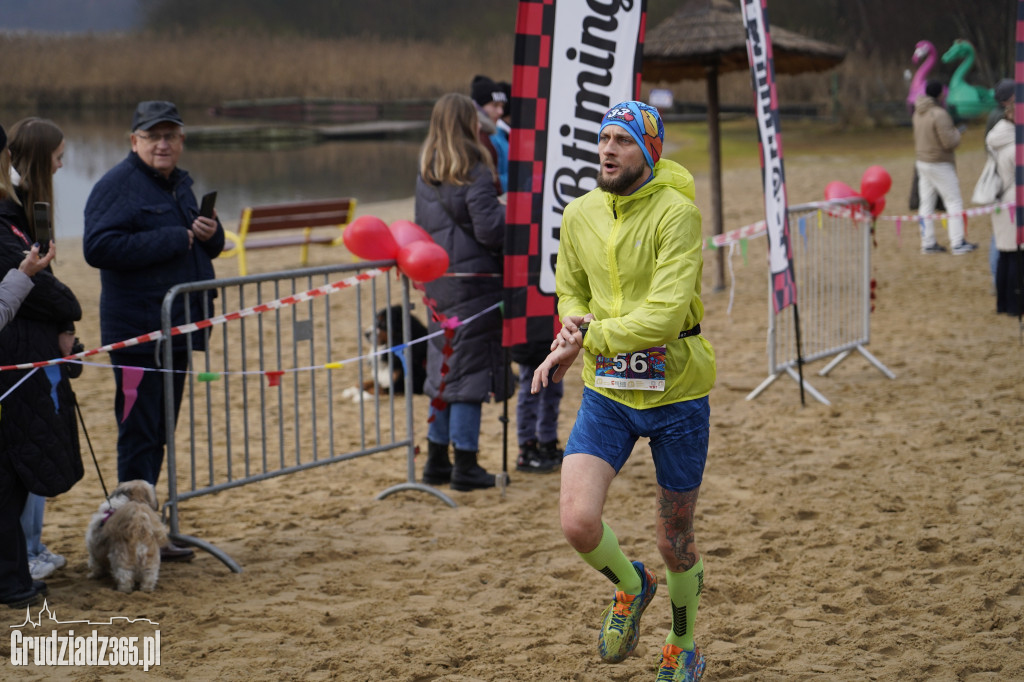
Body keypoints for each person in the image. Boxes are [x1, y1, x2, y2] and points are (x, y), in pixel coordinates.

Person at [531, 101, 715, 681]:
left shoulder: (676, 213)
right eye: (604, 137)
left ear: (649, 151)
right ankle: (632, 588)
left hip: (677, 395)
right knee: (577, 523)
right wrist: (570, 326)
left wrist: (589, 336)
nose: (608, 149)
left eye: (624, 140)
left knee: (674, 540)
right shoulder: (580, 212)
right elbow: (572, 290)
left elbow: (663, 316)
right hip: (608, 395)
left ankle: (682, 647)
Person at [83, 101, 225, 562]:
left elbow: (206, 242)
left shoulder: (179, 184)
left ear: (181, 141)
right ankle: (129, 539)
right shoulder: (116, 186)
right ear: (134, 141)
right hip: (137, 337)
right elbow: (98, 246)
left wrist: (209, 232)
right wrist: (176, 238)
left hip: (177, 330)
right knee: (137, 434)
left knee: (160, 431)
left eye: (170, 136)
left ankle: (149, 529)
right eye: (153, 136)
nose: (162, 144)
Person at [0, 119, 82, 609]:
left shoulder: (17, 210)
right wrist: (67, 304)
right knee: (11, 475)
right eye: (57, 155)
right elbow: (26, 288)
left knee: (17, 470)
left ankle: (22, 562)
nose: (63, 164)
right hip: (14, 365)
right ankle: (15, 572)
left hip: (28, 353)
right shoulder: (5, 216)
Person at [414, 93, 512, 492]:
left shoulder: (426, 170)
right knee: (469, 372)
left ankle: (437, 458)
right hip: (476, 281)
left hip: (438, 279)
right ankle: (466, 463)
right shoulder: (473, 167)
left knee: (445, 367)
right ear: (466, 124)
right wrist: (516, 215)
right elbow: (490, 229)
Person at [913, 80, 977, 255]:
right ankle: (957, 243)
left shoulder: (918, 112)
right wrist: (957, 134)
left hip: (923, 162)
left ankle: (928, 242)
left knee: (926, 203)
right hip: (939, 163)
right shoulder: (940, 114)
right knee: (954, 201)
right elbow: (949, 142)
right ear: (940, 94)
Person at [986, 89, 1024, 316]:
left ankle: (1003, 303)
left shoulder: (997, 138)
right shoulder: (1014, 146)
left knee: (1005, 255)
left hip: (1000, 201)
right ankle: (1014, 305)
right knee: (1015, 257)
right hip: (1013, 202)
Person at [512, 338, 563, 473]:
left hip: (552, 338)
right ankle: (526, 448)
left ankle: (548, 442)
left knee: (553, 392)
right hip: (529, 341)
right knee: (530, 392)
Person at [985, 79, 1015, 290]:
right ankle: (999, 281)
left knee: (1001, 236)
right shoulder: (1003, 123)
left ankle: (999, 281)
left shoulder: (996, 118)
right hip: (1006, 184)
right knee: (1003, 239)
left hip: (1002, 181)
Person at [470, 75, 506, 194]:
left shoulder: (489, 134)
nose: (501, 112)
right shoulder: (478, 136)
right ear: (479, 106)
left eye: (502, 106)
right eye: (495, 105)